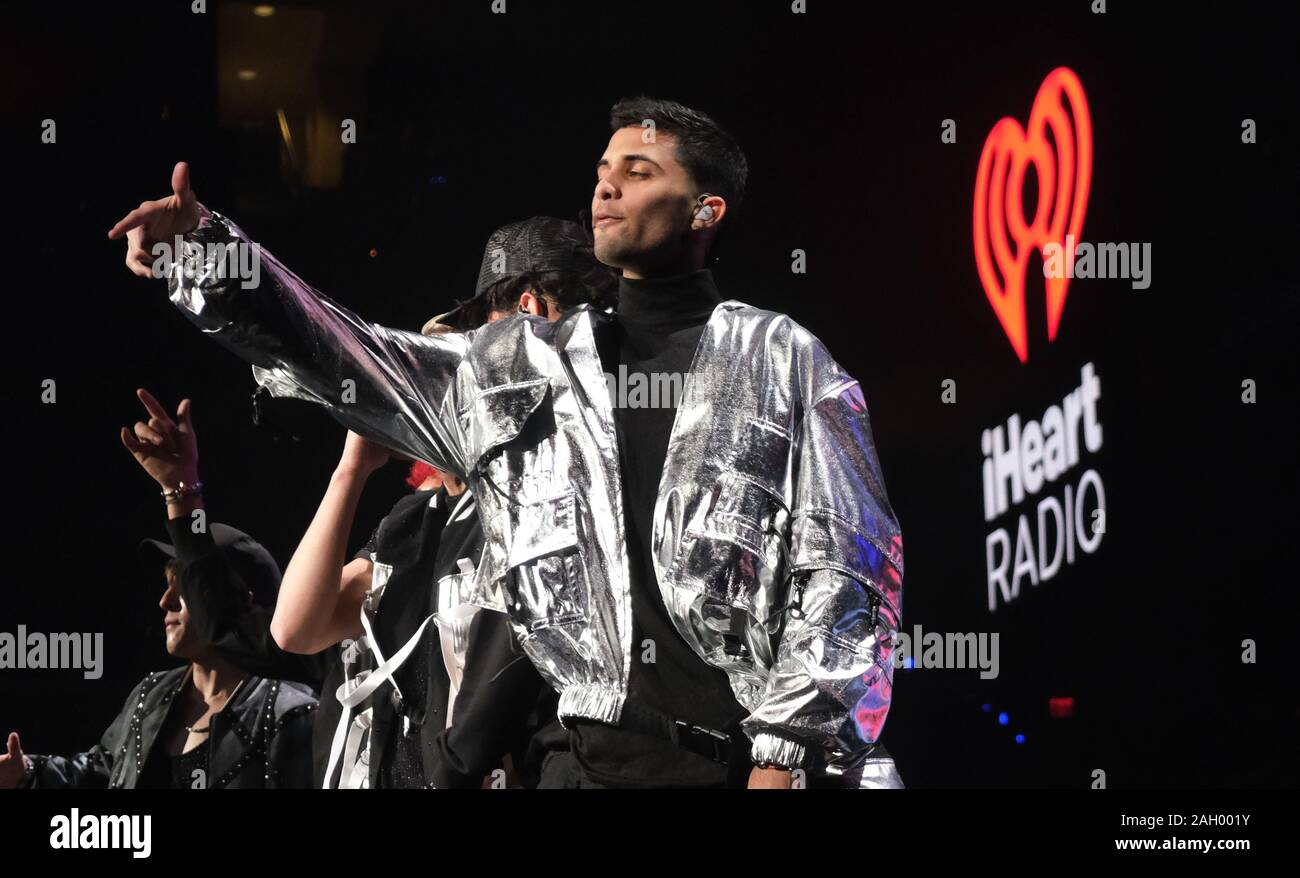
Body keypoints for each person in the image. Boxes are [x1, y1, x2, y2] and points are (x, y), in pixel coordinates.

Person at [109, 97, 904, 788]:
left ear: (706, 210)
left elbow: (847, 573)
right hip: (591, 765)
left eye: (639, 169)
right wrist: (206, 251)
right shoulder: (524, 370)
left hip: (751, 762)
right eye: (602, 167)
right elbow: (346, 352)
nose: (606, 184)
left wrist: (786, 754)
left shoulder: (785, 360)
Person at [0, 513, 317, 789]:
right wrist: (27, 773)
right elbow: (99, 773)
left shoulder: (290, 715)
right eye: (168, 587)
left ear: (238, 600)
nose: (164, 602)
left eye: (184, 591)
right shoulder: (151, 694)